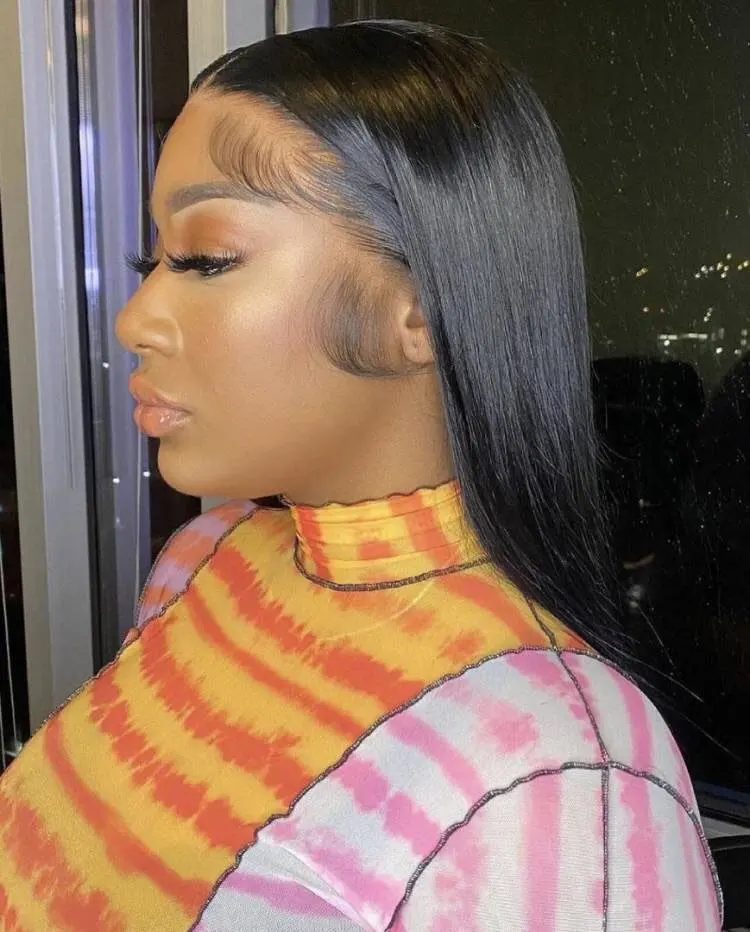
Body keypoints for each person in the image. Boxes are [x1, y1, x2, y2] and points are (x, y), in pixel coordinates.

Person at [0, 20, 721, 931]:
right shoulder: (205, 561)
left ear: (419, 309)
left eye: (205, 258)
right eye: (154, 259)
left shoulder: (561, 771)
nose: (136, 318)